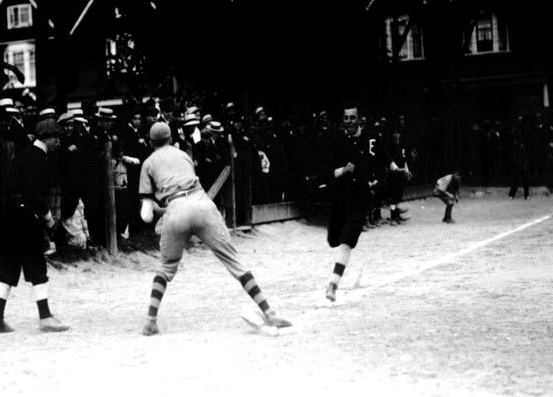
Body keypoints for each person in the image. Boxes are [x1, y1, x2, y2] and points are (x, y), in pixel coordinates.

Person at [137, 121, 290, 335]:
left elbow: (146, 215)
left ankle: (151, 320)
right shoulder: (183, 155)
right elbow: (189, 189)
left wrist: (160, 210)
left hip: (176, 209)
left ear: (151, 142)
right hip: (202, 203)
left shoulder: (148, 162)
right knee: (234, 261)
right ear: (171, 139)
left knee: (165, 267)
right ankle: (269, 311)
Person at [0, 118, 69, 333]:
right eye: (55, 138)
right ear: (46, 138)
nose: (58, 142)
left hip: (8, 217)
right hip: (24, 218)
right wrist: (50, 221)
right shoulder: (38, 158)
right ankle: (45, 317)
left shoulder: (23, 155)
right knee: (36, 266)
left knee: (8, 269)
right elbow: (34, 196)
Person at [325, 102, 381, 305]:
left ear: (359, 119)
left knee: (347, 239)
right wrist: (344, 170)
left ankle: (333, 283)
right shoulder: (337, 141)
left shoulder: (370, 139)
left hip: (360, 199)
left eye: (352, 118)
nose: (349, 121)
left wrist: (391, 168)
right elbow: (327, 170)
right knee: (334, 239)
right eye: (346, 118)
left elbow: (382, 157)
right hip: (341, 197)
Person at [384, 130, 412, 223]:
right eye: (395, 136)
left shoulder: (402, 146)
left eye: (398, 136)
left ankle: (397, 216)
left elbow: (404, 160)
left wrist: (407, 170)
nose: (397, 138)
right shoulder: (390, 148)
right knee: (393, 196)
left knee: (399, 195)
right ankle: (392, 217)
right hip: (393, 174)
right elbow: (389, 162)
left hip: (401, 174)